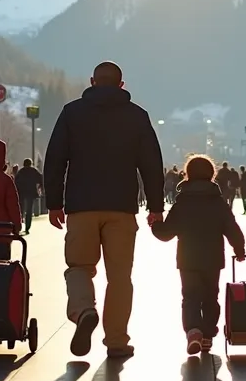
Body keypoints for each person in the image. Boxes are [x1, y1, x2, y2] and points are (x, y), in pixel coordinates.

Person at [44, 61, 164, 359]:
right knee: (120, 276)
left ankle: (85, 309)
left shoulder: (72, 113)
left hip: (81, 207)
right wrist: (156, 206)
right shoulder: (137, 116)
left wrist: (54, 203)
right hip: (121, 208)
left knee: (79, 267)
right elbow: (151, 164)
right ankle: (116, 341)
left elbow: (55, 160)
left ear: (92, 82)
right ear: (121, 85)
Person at [150, 155, 246, 355]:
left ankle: (193, 331)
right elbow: (232, 228)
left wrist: (155, 225)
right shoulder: (218, 202)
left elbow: (166, 233)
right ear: (212, 174)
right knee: (211, 297)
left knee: (190, 297)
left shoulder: (182, 202)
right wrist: (239, 249)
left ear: (189, 174)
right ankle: (208, 336)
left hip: (188, 259)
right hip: (213, 260)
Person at [14, 158, 43, 233]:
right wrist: (41, 188)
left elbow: (15, 181)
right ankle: (27, 227)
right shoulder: (33, 171)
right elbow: (40, 179)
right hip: (31, 192)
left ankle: (19, 224)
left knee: (21, 209)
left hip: (22, 193)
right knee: (29, 210)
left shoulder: (21, 171)